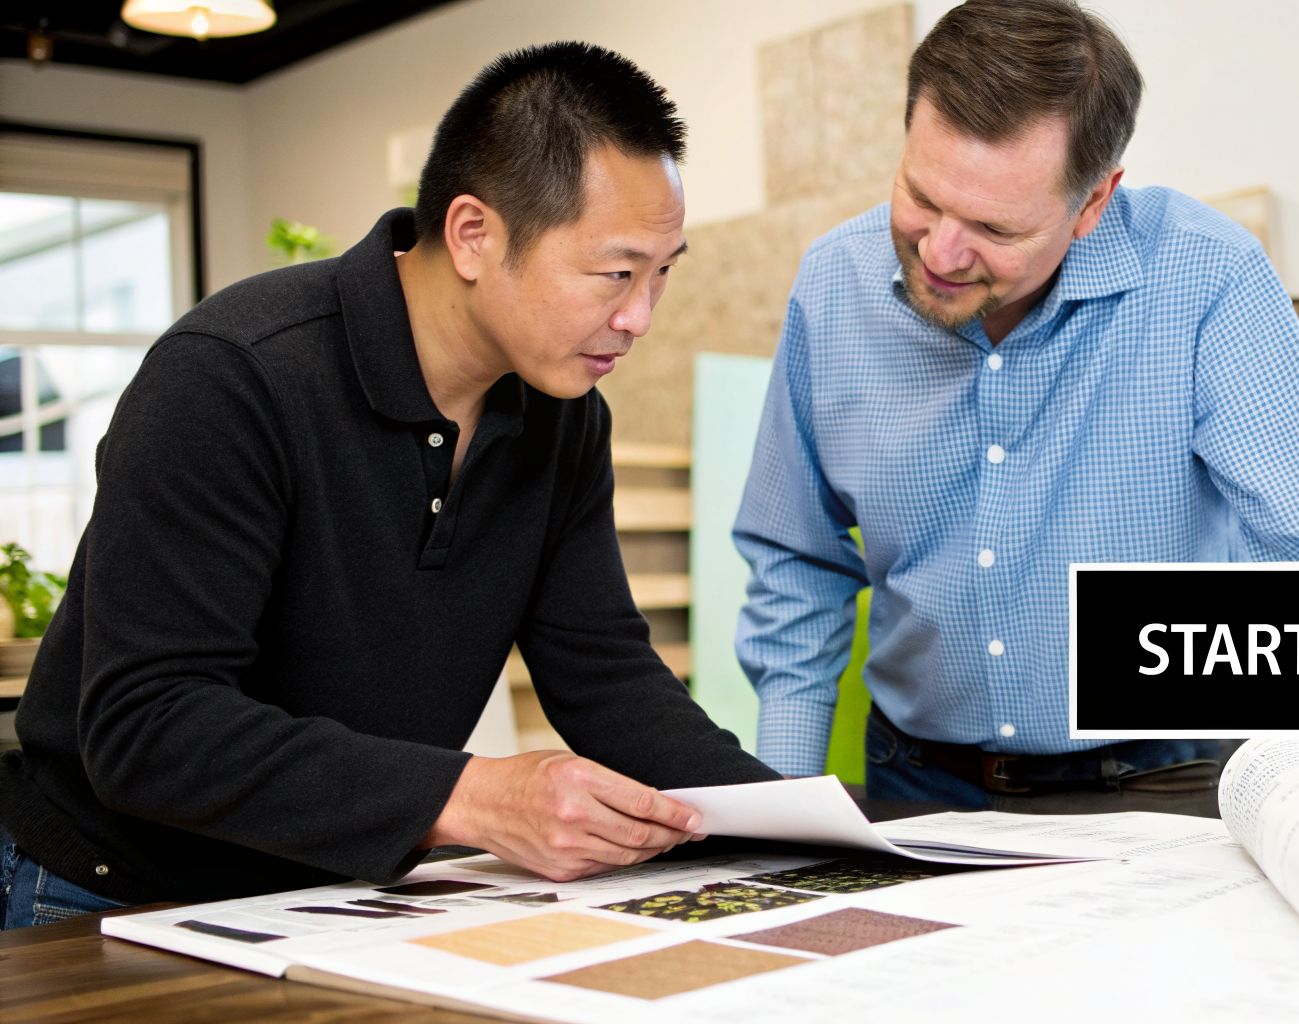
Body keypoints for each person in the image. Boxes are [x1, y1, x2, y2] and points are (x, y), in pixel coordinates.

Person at [0, 42, 778, 930]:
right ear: (474, 235)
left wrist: (803, 829)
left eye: (663, 271)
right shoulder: (233, 377)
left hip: (336, 893)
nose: (640, 315)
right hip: (113, 891)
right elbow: (149, 725)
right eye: (614, 273)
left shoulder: (564, 417)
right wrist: (474, 797)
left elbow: (606, 679)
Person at [734, 0, 1299, 812]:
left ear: (1093, 204)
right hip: (916, 784)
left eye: (993, 227)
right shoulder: (833, 285)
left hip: (1163, 779)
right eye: (921, 198)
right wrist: (787, 807)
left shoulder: (1204, 277)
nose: (941, 253)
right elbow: (797, 557)